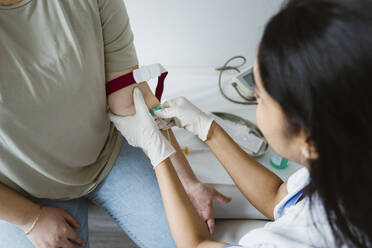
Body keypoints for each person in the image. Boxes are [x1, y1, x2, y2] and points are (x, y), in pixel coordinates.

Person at [110, 0, 372, 247]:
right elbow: (278, 197)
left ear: (311, 139)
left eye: (260, 98)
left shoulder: (299, 240)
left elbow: (197, 244)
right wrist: (208, 130)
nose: (256, 101)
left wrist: (159, 154)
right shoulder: (346, 163)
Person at [0, 0, 231, 247]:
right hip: (23, 190)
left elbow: (128, 97)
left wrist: (187, 180)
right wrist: (30, 219)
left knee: (187, 239)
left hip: (108, 155)